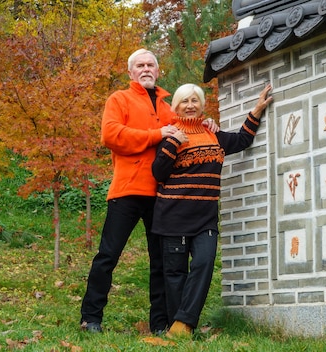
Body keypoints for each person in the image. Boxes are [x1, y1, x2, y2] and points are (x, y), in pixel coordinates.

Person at [80, 49, 218, 334]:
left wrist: (206, 125)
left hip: (161, 197)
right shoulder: (119, 99)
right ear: (131, 72)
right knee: (108, 255)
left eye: (150, 65)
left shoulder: (169, 108)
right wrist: (157, 135)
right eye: (139, 65)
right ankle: (91, 318)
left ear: (158, 71)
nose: (145, 69)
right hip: (127, 190)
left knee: (160, 262)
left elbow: (188, 126)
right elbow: (111, 135)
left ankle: (160, 324)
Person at [151, 83, 273, 338]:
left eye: (195, 100)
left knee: (204, 264)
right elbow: (158, 173)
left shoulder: (213, 135)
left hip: (205, 218)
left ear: (202, 105)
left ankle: (183, 322)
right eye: (184, 101)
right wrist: (174, 142)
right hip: (173, 216)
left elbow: (242, 140)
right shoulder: (169, 135)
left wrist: (257, 110)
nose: (190, 105)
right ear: (176, 107)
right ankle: (180, 328)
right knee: (175, 275)